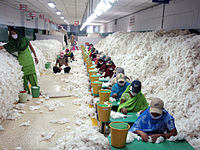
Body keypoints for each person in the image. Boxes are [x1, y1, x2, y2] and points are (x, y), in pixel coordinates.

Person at [0, 27, 38, 94]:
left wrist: (35, 57)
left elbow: (31, 48)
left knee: (32, 76)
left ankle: (36, 90)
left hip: (29, 60)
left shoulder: (24, 40)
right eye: (11, 34)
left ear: (18, 33)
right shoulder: (13, 42)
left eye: (14, 33)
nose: (12, 35)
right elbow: (4, 47)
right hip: (21, 61)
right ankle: (27, 93)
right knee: (24, 78)